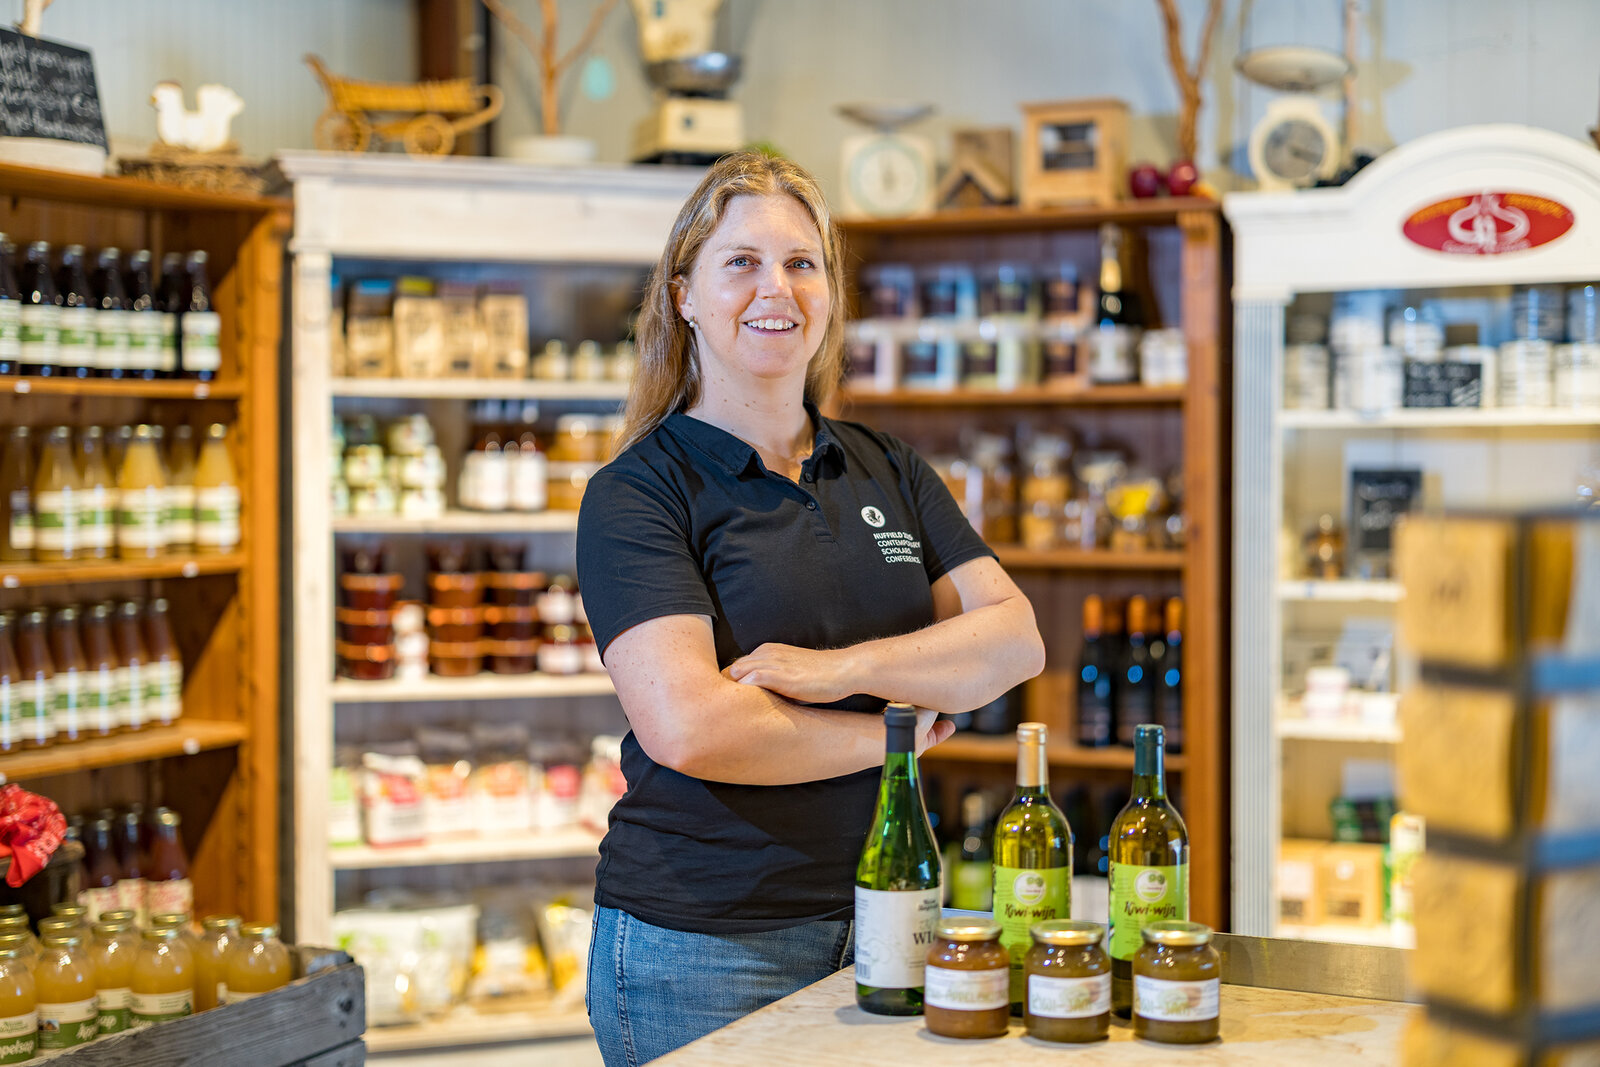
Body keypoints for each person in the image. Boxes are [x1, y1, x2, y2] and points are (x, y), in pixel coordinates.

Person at [576, 150, 1045, 1066]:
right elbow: (692, 726)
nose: (775, 288)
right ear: (683, 294)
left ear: (829, 292)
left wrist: (840, 671)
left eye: (801, 262)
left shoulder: (887, 467)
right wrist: (898, 736)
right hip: (705, 946)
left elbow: (1012, 640)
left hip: (889, 918)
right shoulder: (639, 493)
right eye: (741, 262)